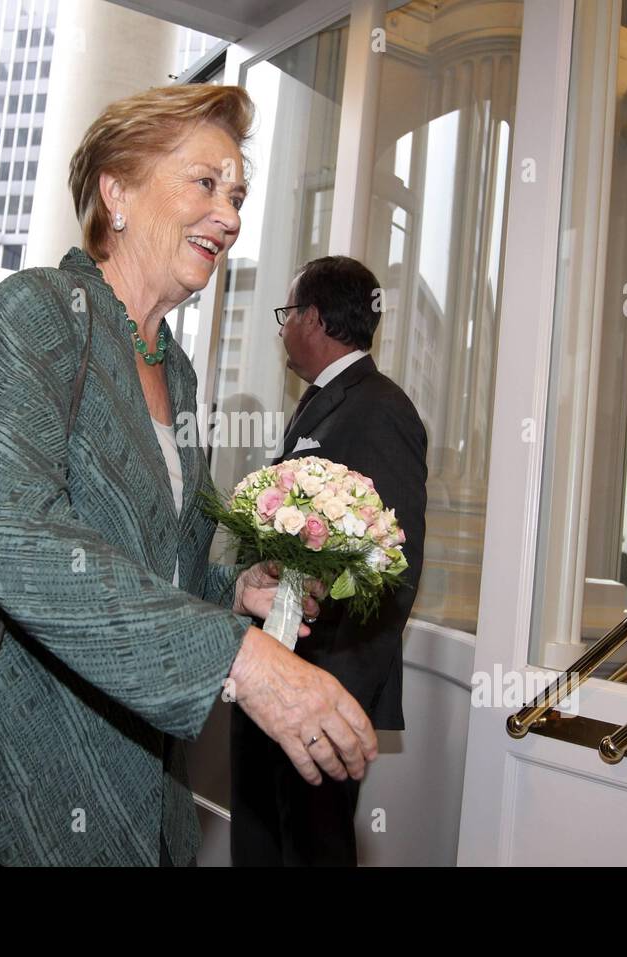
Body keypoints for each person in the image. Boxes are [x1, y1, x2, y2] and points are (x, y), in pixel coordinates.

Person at [0, 83, 378, 867]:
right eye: (204, 183)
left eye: (238, 193)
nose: (229, 215)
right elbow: (19, 542)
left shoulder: (178, 373)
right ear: (115, 192)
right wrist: (239, 657)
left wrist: (233, 588)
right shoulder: (39, 313)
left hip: (122, 783)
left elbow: (162, 556)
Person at [230, 256, 428, 866]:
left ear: (313, 319)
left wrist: (335, 696)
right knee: (264, 840)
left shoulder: (379, 408)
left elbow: (395, 567)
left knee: (314, 851)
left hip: (320, 683)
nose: (282, 327)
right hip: (277, 666)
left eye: (286, 314)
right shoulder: (321, 402)